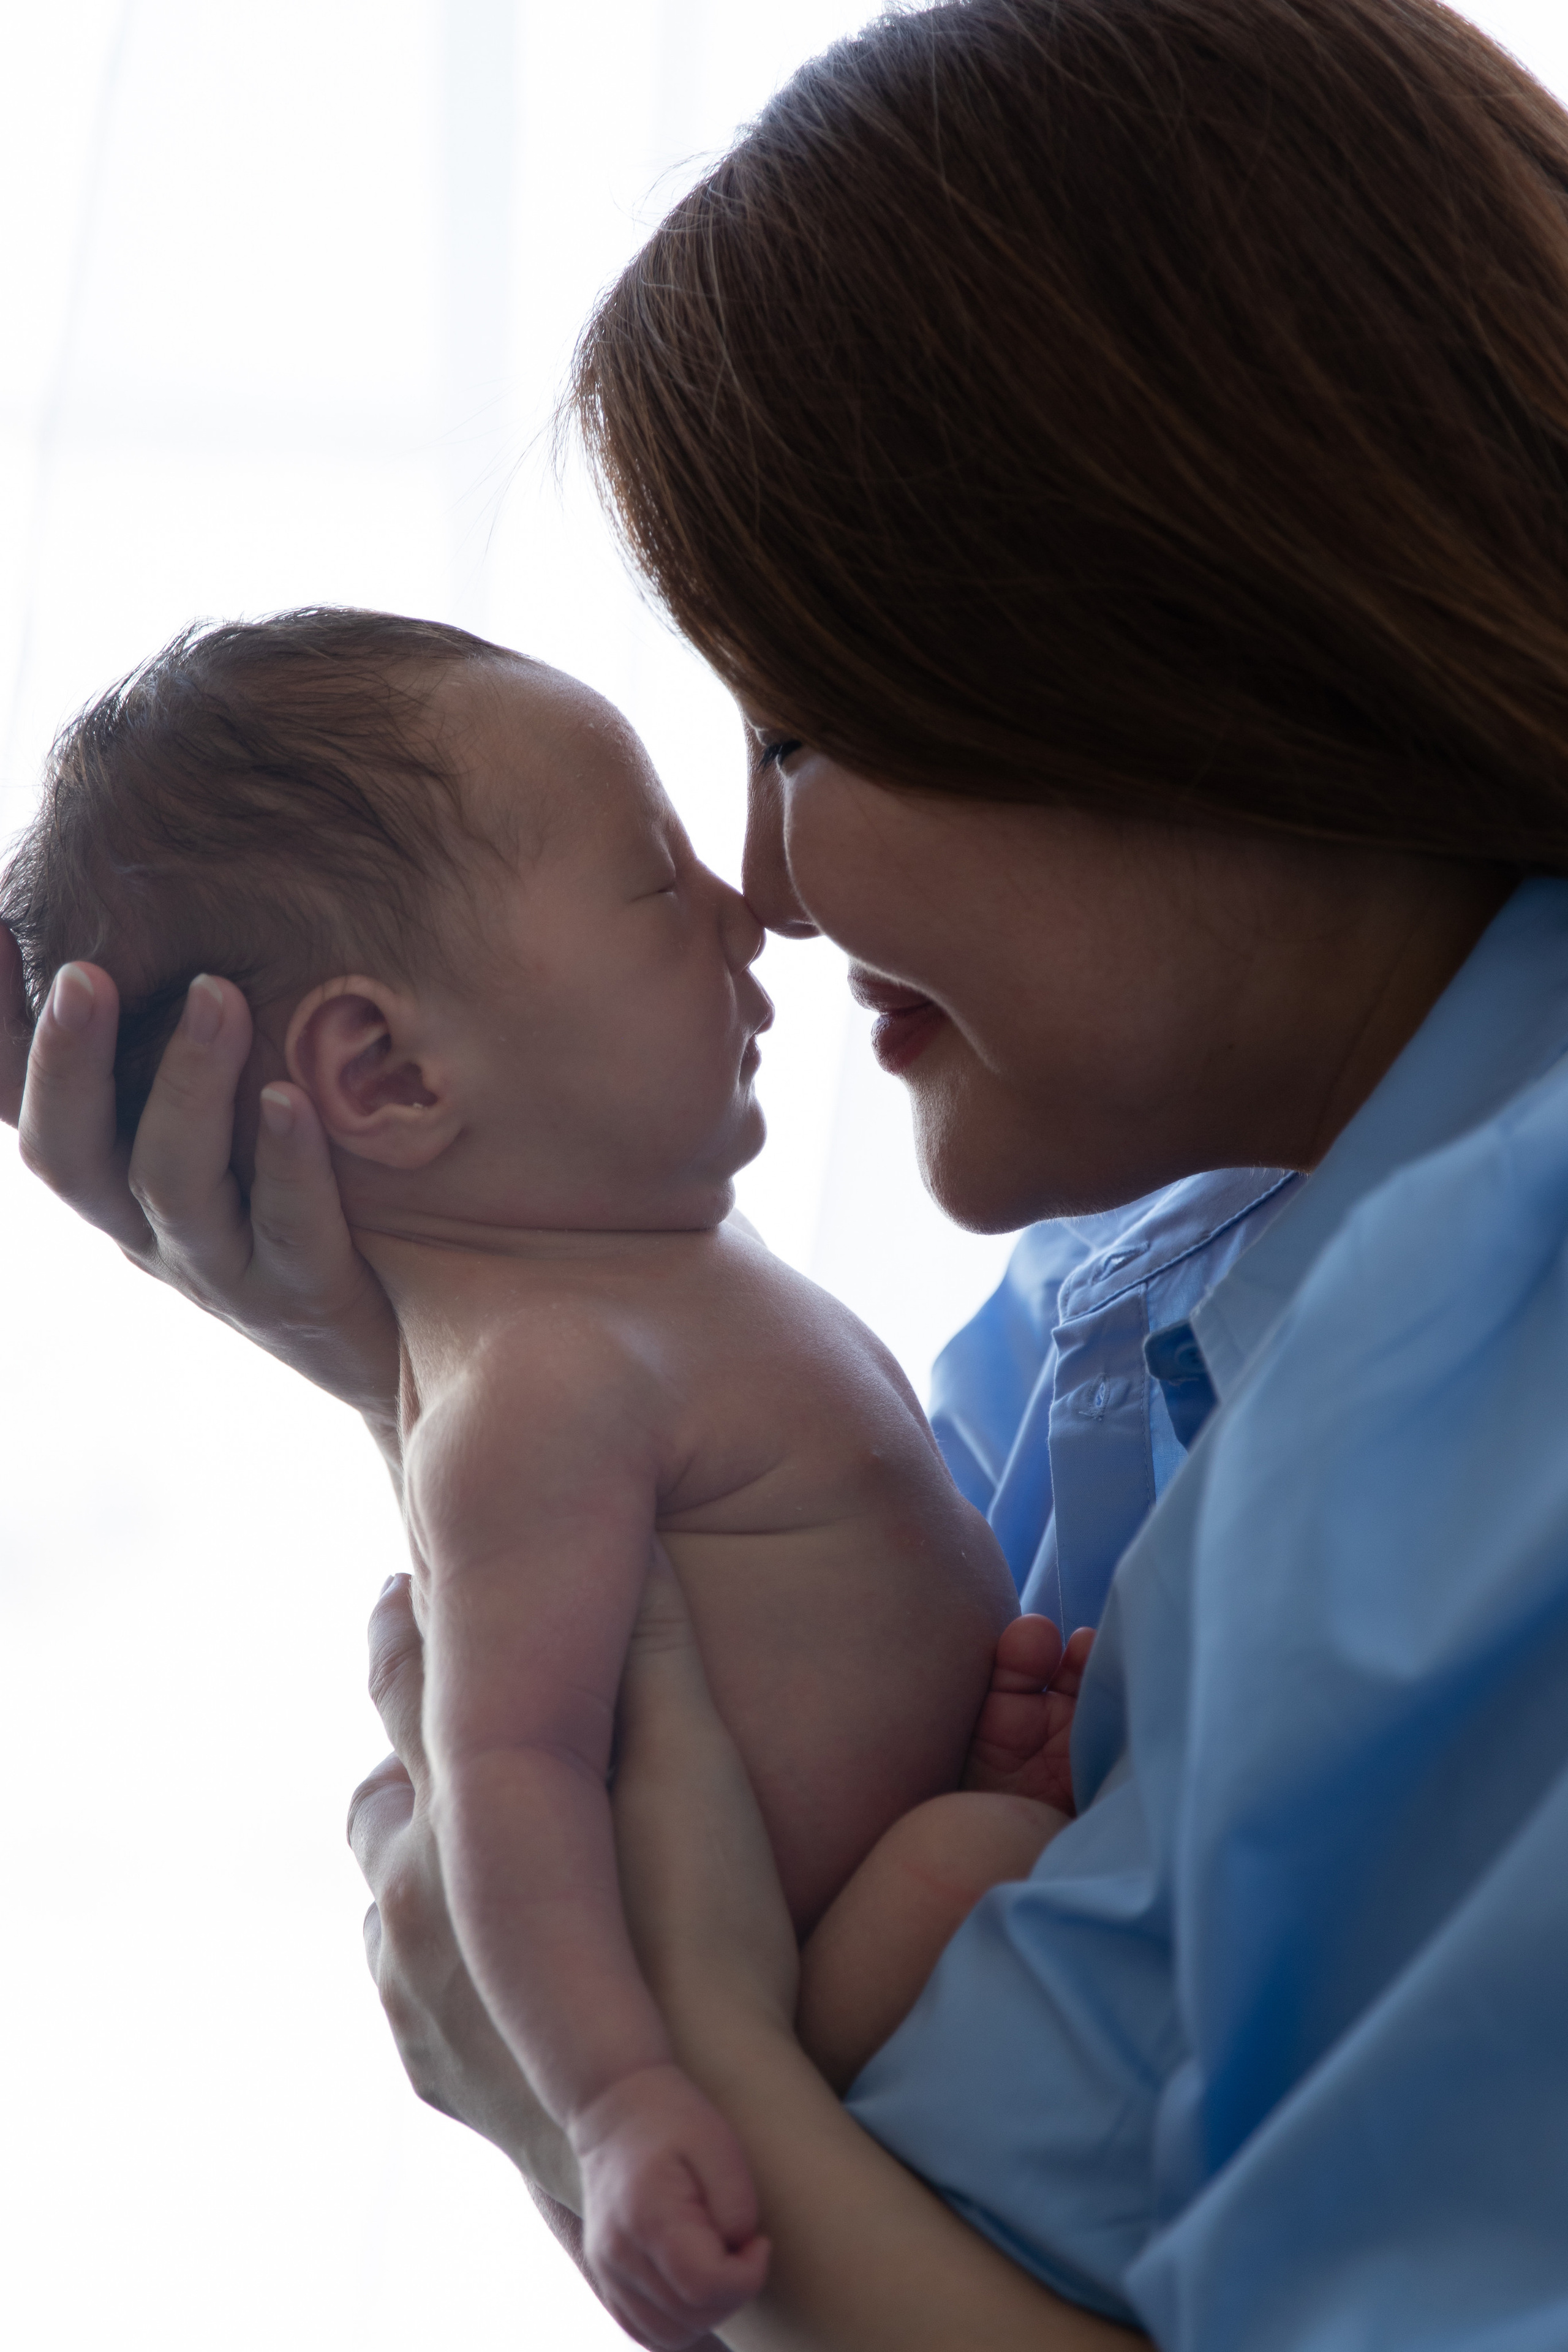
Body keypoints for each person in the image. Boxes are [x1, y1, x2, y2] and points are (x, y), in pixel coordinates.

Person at [9, 0, 1568, 2341]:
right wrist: (388, 1327)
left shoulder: (1507, 1343)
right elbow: (695, 1723)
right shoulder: (1102, 1319)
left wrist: (637, 2101)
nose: (766, 886)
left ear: (1205, 620)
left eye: (802, 727)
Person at [1, 608, 1094, 2345]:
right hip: (827, 2015)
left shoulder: (652, 1280)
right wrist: (614, 2103)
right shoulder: (533, 1386)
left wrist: (953, 1733)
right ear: (389, 1072)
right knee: (976, 1872)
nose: (747, 909)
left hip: (894, 1899)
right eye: (659, 886)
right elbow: (505, 1780)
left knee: (986, 1853)